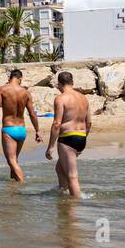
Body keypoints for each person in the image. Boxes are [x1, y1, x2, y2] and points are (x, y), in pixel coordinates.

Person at [0, 68, 42, 181]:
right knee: (14, 160)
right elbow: (32, 113)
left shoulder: (2, 90)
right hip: (22, 129)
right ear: (20, 79)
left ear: (10, 78)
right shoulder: (25, 92)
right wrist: (37, 130)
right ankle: (14, 188)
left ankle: (22, 183)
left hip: (9, 129)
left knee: (11, 161)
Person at [45, 71, 91, 199]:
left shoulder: (61, 98)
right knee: (59, 169)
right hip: (81, 138)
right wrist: (82, 138)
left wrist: (50, 147)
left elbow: (56, 124)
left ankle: (74, 209)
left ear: (59, 84)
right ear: (72, 83)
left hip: (67, 139)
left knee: (72, 176)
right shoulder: (84, 98)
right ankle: (64, 197)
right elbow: (89, 122)